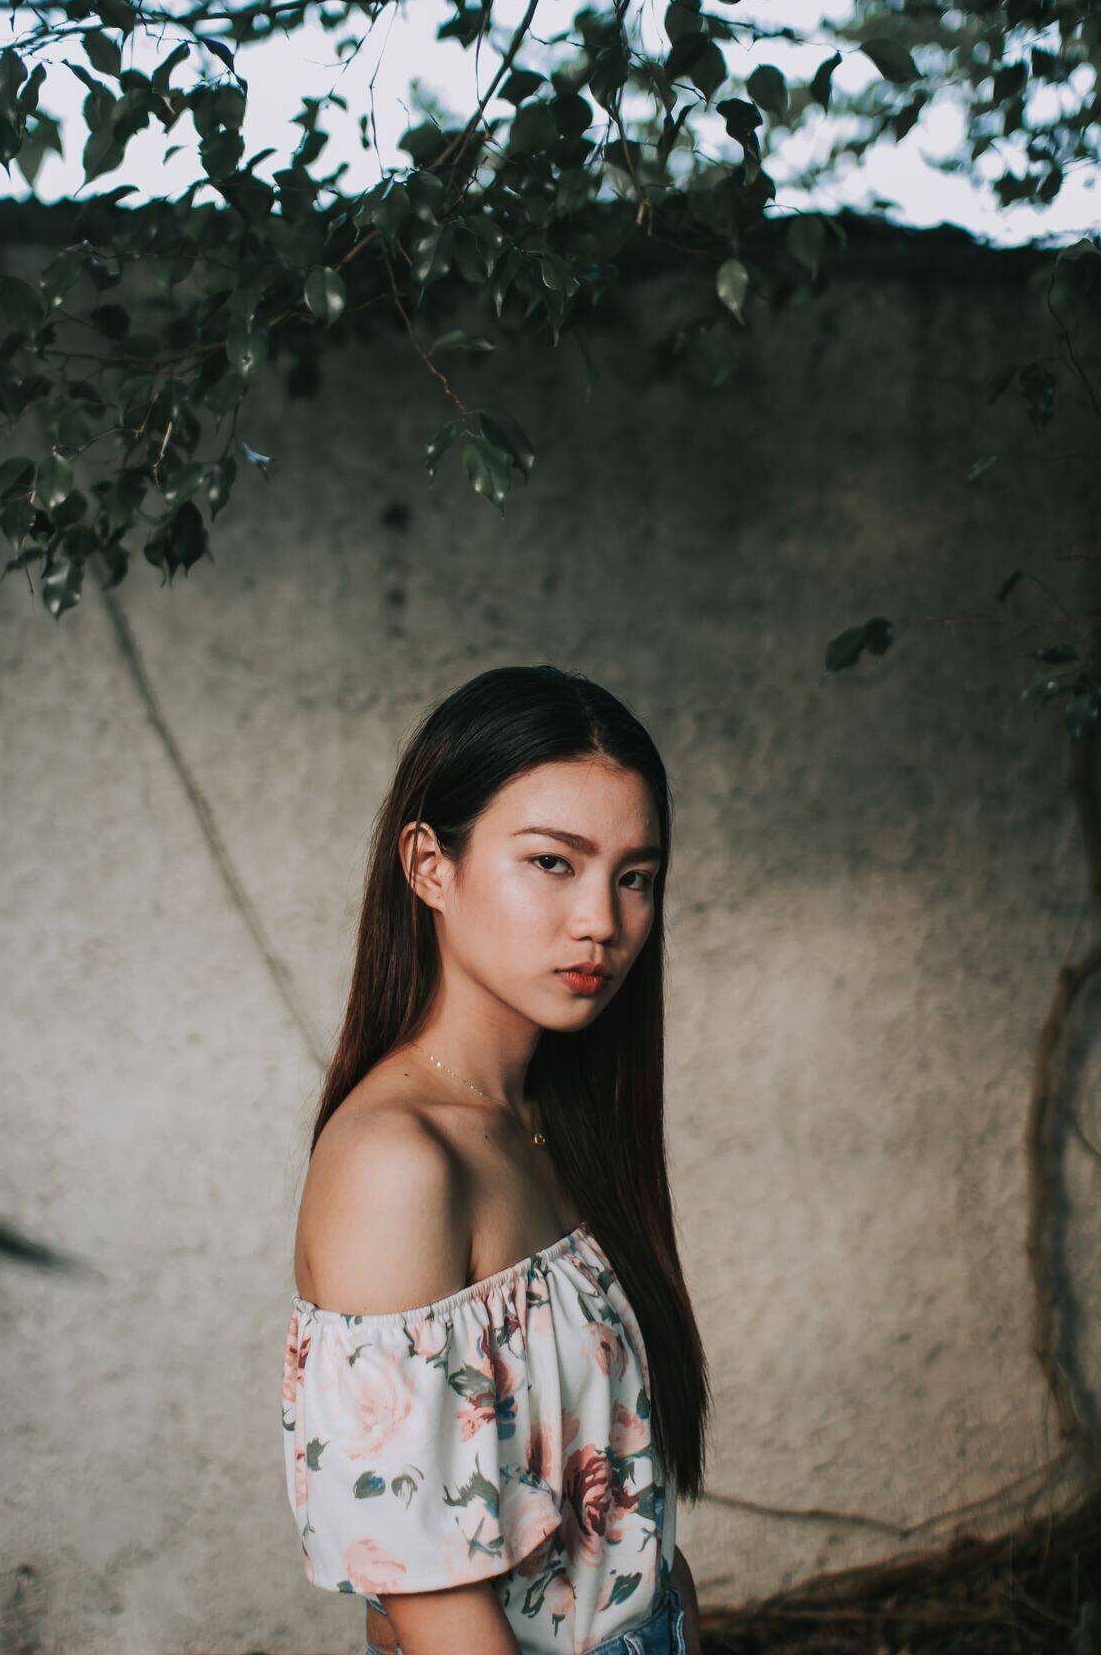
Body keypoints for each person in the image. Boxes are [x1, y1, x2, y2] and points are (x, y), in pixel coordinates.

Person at [281, 665, 711, 1654]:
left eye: (635, 877)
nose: (601, 921)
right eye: (553, 862)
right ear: (430, 866)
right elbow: (429, 1597)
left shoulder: (547, 1118)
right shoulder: (397, 1164)